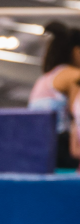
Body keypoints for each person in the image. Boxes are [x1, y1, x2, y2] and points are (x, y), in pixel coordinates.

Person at [28, 21, 80, 169]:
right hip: (58, 147)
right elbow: (76, 113)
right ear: (77, 51)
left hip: (36, 145)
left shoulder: (46, 77)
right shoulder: (74, 76)